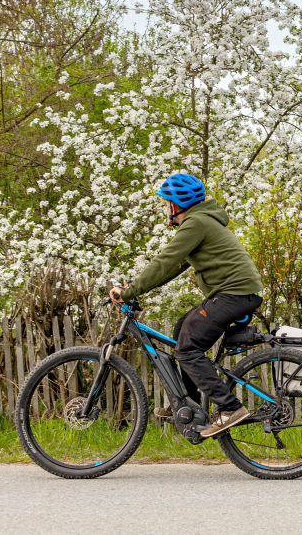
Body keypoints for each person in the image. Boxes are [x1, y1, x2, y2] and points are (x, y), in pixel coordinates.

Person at [109, 172, 265, 438]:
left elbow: (166, 261)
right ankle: (187, 402)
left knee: (187, 349)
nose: (165, 208)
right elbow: (175, 266)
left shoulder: (195, 223)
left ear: (175, 204)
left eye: (166, 202)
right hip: (238, 293)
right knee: (183, 330)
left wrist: (129, 291)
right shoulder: (202, 221)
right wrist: (137, 289)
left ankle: (230, 408)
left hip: (233, 294)